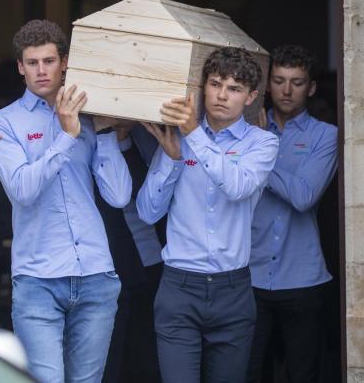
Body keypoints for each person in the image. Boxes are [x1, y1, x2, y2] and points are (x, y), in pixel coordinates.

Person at [0, 19, 132, 382]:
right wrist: (66, 136)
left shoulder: (91, 115)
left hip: (95, 273)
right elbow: (22, 189)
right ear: (20, 67)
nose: (41, 71)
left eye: (48, 61)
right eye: (32, 63)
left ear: (64, 62)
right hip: (38, 280)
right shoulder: (2, 123)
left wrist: (108, 131)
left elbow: (118, 195)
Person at [137, 47, 279, 383]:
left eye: (234, 88)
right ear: (203, 87)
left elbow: (237, 186)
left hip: (234, 291)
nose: (222, 95)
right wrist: (171, 162)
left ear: (251, 97)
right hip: (178, 286)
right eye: (215, 84)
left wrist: (193, 135)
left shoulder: (264, 143)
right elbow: (146, 212)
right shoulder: (179, 139)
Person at [246, 45, 338, 383]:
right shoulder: (246, 131)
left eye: (297, 82)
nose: (287, 90)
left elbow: (303, 196)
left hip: (303, 280)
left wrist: (258, 152)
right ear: (267, 85)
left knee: (303, 375)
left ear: (310, 88)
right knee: (249, 372)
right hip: (250, 276)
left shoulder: (326, 136)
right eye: (279, 80)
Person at [100, 123, 164, 383]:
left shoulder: (146, 134)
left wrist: (124, 136)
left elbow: (148, 189)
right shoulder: (80, 134)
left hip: (147, 259)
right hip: (102, 263)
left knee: (144, 358)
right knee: (109, 359)